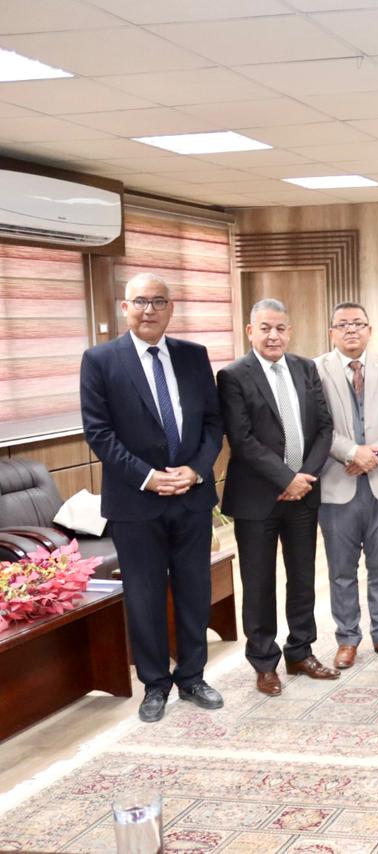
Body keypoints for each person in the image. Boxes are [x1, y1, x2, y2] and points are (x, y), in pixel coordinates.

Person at [79, 273, 225, 722]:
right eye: (140, 301)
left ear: (170, 308)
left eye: (158, 301)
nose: (149, 310)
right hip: (135, 502)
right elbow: (99, 432)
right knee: (143, 597)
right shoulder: (100, 360)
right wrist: (148, 478)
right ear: (124, 307)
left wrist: (196, 470)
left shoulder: (193, 355)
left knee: (194, 590)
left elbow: (213, 423)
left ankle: (193, 677)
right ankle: (155, 685)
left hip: (191, 496)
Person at [219, 298, 337, 696]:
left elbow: (324, 427)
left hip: (303, 494)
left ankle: (301, 652)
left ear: (290, 331)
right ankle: (264, 662)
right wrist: (286, 478)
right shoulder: (233, 375)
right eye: (265, 328)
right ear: (250, 331)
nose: (274, 336)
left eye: (280, 328)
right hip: (257, 498)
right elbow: (242, 440)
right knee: (259, 583)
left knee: (303, 578)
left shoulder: (305, 368)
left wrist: (305, 478)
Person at [315, 301, 378, 670]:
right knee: (341, 570)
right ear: (332, 332)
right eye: (342, 324)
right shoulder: (314, 371)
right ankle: (347, 638)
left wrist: (377, 454)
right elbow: (315, 425)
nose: (351, 330)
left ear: (370, 330)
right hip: (336, 482)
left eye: (358, 323)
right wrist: (352, 452)